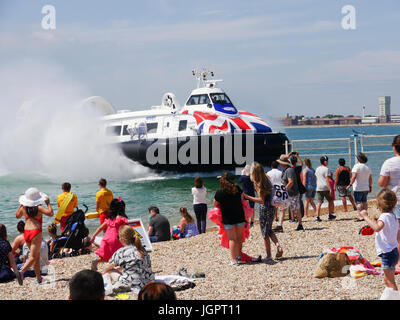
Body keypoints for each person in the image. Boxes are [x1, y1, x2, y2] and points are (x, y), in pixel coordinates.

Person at [360, 189, 399, 296]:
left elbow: (377, 228)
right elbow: (396, 234)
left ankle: (396, 297)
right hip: (393, 251)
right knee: (388, 280)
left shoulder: (384, 216)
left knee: (389, 281)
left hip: (388, 253)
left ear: (380, 206)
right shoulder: (394, 217)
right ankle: (392, 296)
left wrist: (365, 217)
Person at [244, 162, 283, 262]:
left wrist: (248, 197)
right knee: (269, 229)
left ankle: (269, 256)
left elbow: (261, 200)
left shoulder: (258, 183)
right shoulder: (267, 179)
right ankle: (278, 246)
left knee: (264, 234)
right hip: (272, 208)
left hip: (264, 209)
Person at [15, 187, 53, 284]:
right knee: (33, 256)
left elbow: (17, 216)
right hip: (36, 232)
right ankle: (21, 272)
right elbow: (50, 213)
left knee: (36, 256)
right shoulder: (39, 208)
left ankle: (39, 278)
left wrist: (21, 204)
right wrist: (48, 203)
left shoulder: (24, 208)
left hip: (26, 232)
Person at [103, 225, 155, 294]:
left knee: (110, 271)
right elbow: (135, 264)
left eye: (118, 237)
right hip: (149, 280)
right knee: (120, 268)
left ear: (123, 239)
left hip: (133, 283)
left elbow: (107, 267)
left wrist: (104, 272)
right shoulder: (142, 249)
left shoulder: (121, 252)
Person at [214, 172, 246, 265]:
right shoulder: (237, 188)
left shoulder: (220, 192)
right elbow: (242, 199)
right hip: (240, 215)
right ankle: (239, 258)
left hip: (228, 218)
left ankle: (233, 260)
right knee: (239, 238)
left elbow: (215, 204)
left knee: (232, 239)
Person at [378, 135, 400, 268]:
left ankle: (398, 261)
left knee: (397, 233)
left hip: (395, 199)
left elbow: (382, 183)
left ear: (394, 147)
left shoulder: (389, 163)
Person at [90, 198, 128, 271]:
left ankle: (96, 261)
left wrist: (93, 236)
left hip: (106, 239)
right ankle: (120, 270)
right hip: (116, 240)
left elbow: (100, 228)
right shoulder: (122, 219)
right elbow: (127, 230)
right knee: (120, 256)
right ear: (123, 208)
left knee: (106, 257)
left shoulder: (109, 219)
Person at [277, 154, 304, 231]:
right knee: (282, 209)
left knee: (296, 210)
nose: (279, 163)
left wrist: (283, 190)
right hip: (287, 193)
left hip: (292, 193)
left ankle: (300, 224)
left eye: (280, 162)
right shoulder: (285, 169)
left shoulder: (289, 170)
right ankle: (280, 226)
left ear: (283, 163)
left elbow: (291, 182)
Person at [348, 153, 372, 221]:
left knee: (358, 202)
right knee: (364, 202)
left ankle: (361, 216)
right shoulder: (368, 166)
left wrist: (350, 184)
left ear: (358, 159)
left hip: (358, 188)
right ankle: (365, 216)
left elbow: (354, 176)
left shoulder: (356, 166)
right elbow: (370, 178)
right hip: (366, 187)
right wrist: (370, 186)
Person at [315, 156, 336, 222]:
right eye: (327, 160)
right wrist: (330, 188)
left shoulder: (317, 168)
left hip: (319, 187)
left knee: (319, 202)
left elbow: (316, 177)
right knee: (330, 200)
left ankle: (317, 217)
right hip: (325, 187)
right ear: (325, 161)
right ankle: (330, 215)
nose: (328, 162)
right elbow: (327, 179)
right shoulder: (326, 169)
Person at [267, 161, 285, 232]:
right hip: (280, 191)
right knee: (281, 209)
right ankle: (280, 225)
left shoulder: (268, 173)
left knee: (272, 208)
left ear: (271, 166)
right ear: (278, 166)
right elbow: (283, 182)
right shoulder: (281, 173)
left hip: (272, 192)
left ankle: (273, 221)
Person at [289, 152, 305, 219]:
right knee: (298, 201)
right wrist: (298, 156)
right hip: (299, 186)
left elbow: (284, 162)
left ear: (290, 162)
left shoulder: (289, 169)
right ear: (296, 162)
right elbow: (301, 164)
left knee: (291, 202)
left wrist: (289, 155)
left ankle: (292, 217)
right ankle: (300, 215)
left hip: (292, 187)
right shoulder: (298, 168)